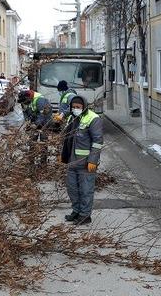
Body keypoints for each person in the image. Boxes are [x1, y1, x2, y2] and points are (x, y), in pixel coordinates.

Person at [59, 96, 103, 225]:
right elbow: (68, 139)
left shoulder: (93, 118)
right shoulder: (72, 118)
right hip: (72, 162)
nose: (75, 109)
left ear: (84, 107)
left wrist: (93, 161)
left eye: (78, 107)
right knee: (72, 189)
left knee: (85, 190)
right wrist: (63, 155)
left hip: (85, 163)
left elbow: (97, 142)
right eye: (73, 107)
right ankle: (76, 211)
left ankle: (85, 215)